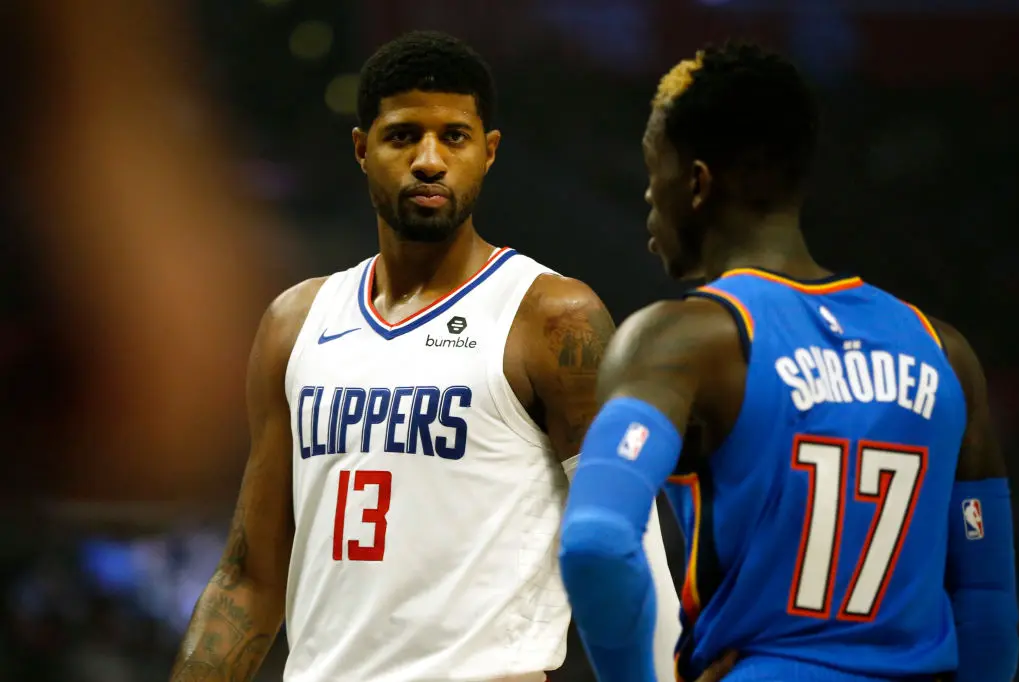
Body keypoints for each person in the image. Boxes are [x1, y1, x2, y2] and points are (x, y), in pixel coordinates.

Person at [170, 30, 681, 682]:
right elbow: (248, 578)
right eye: (404, 135)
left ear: (489, 153)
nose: (430, 160)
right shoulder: (294, 323)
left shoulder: (553, 317)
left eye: (455, 137)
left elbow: (629, 544)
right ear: (362, 149)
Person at [558, 42, 1019, 682]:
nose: (646, 196)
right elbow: (989, 605)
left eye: (651, 170)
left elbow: (596, 544)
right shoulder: (944, 350)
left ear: (695, 183)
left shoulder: (683, 342)